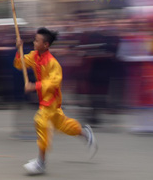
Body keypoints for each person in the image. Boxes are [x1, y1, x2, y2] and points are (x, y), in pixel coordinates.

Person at [14, 27, 97, 175]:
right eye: (34, 39)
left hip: (51, 99)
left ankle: (41, 162)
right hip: (43, 99)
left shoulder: (53, 63)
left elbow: (54, 83)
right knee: (62, 124)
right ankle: (85, 133)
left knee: (41, 121)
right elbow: (19, 64)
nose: (34, 42)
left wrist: (34, 86)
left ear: (46, 45)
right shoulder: (34, 56)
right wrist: (18, 49)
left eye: (37, 41)